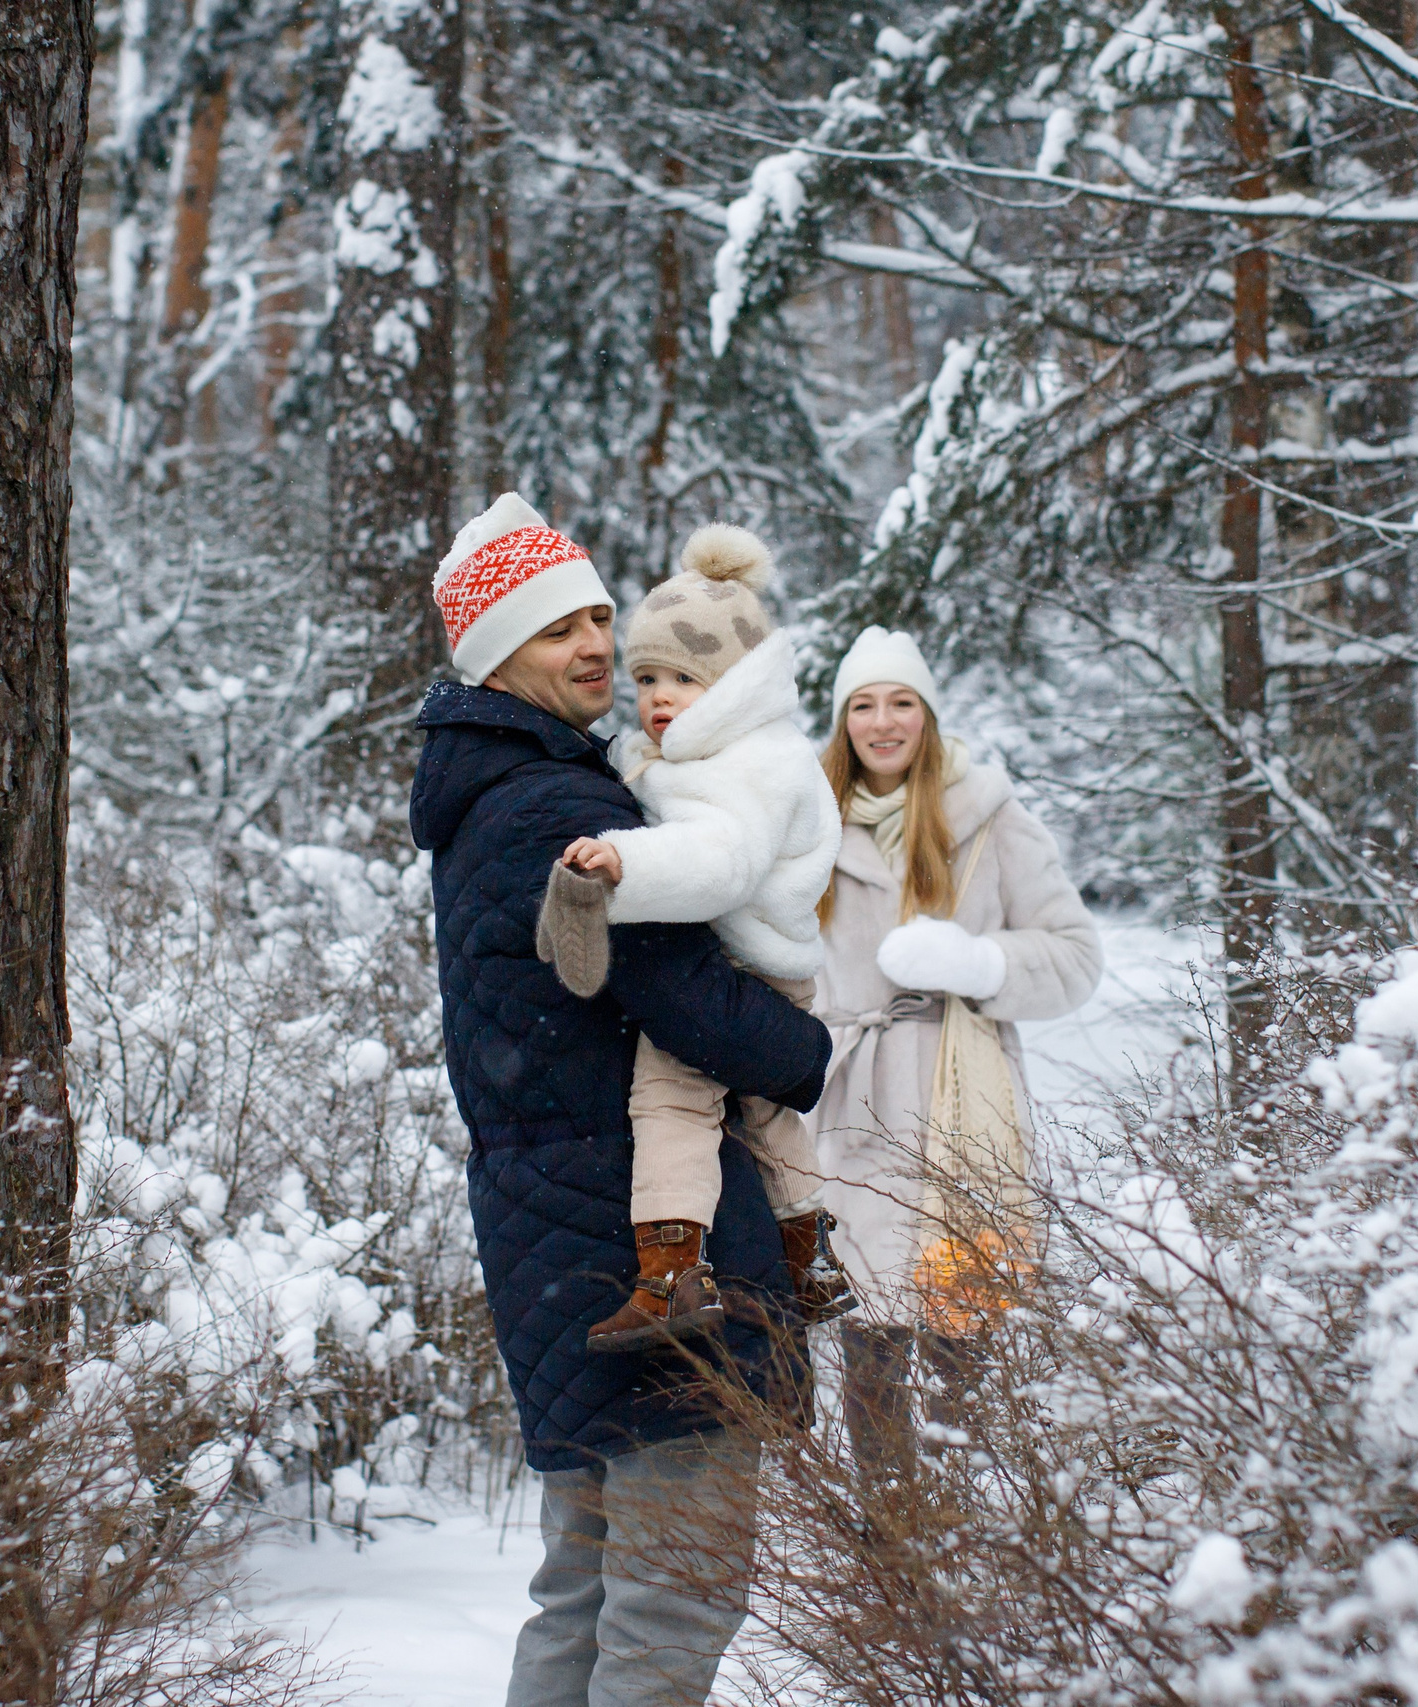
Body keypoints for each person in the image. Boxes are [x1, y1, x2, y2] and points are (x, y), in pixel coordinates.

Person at [409, 493, 832, 1707]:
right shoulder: (556, 809)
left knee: (590, 1585)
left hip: (557, 1237)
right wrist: (807, 1048)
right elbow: (694, 1004)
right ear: (493, 654)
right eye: (557, 631)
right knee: (673, 1591)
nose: (594, 644)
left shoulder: (496, 796)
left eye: (600, 615)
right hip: (640, 1249)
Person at [535, 522, 856, 1352]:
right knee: (766, 1112)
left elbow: (721, 862)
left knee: (670, 1097)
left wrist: (622, 866)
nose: (659, 697)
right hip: (770, 968)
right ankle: (812, 1255)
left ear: (734, 682)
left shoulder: (750, 763)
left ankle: (672, 1273)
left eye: (684, 676)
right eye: (646, 677)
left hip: (739, 962)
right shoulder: (741, 745)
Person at [809, 626, 1103, 1473]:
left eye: (901, 701)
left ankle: (959, 1551)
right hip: (854, 1104)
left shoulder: (990, 816)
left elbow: (1077, 955)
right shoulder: (810, 825)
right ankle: (892, 1557)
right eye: (863, 704)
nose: (883, 721)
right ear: (844, 722)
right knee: (868, 1352)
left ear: (928, 716)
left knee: (960, 1348)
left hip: (963, 1112)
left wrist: (979, 965)